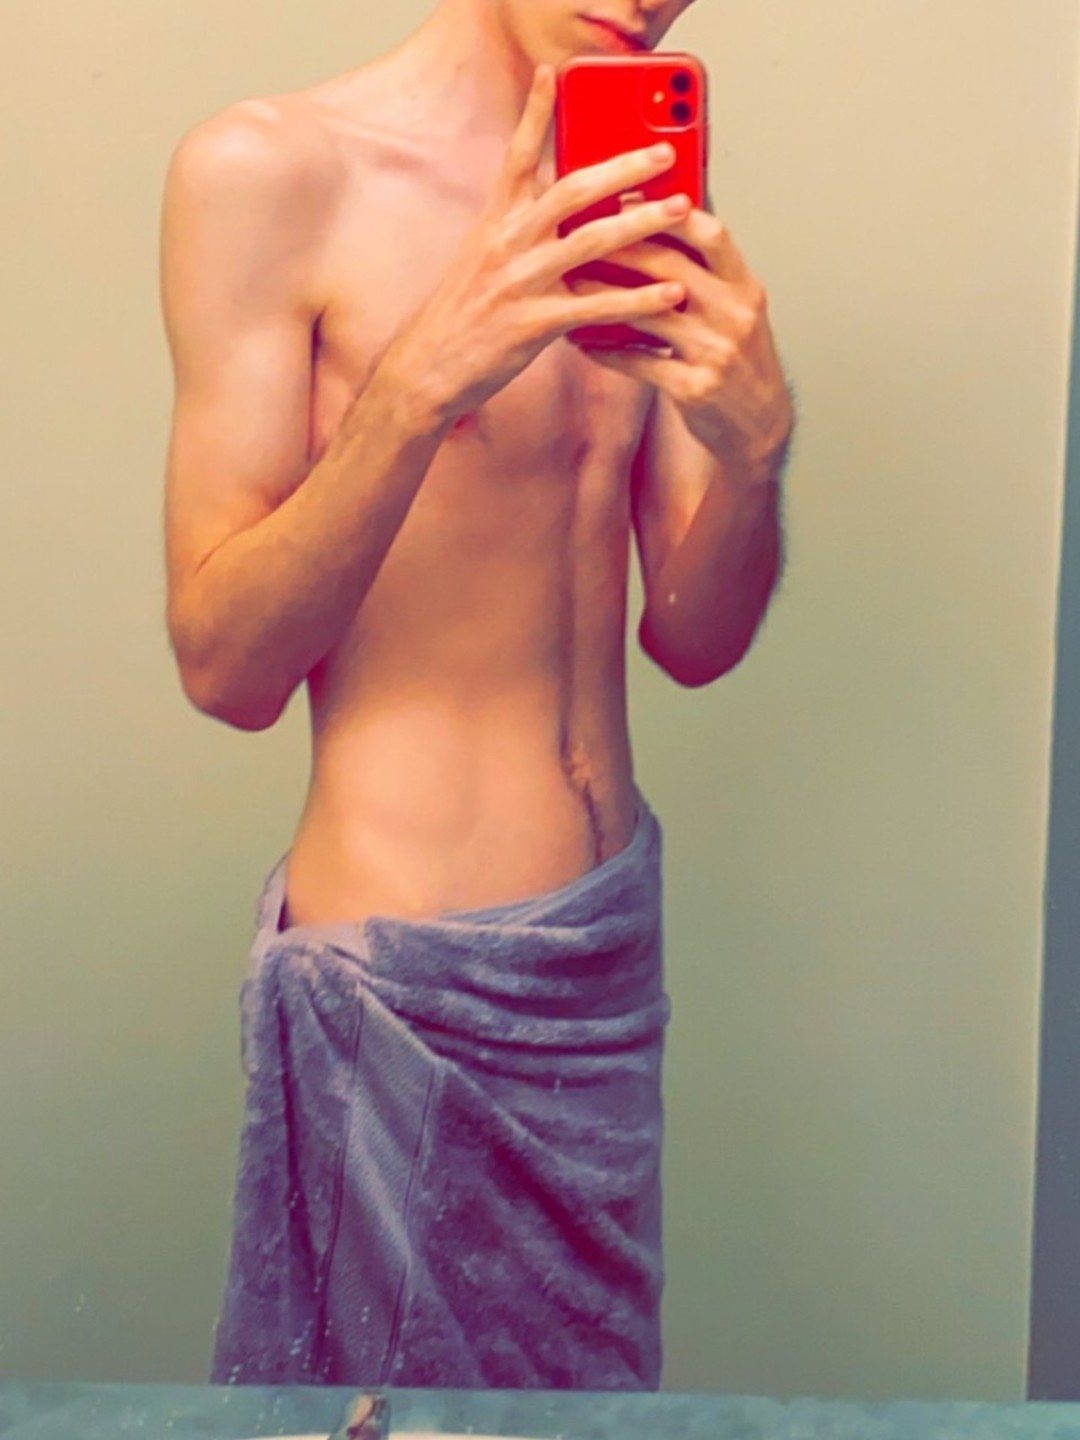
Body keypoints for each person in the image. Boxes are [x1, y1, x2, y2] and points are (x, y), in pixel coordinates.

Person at [159, 0, 794, 1393]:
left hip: (603, 962)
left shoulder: (635, 186)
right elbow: (222, 664)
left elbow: (693, 638)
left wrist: (755, 454)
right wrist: (419, 384)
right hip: (408, 984)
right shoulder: (270, 172)